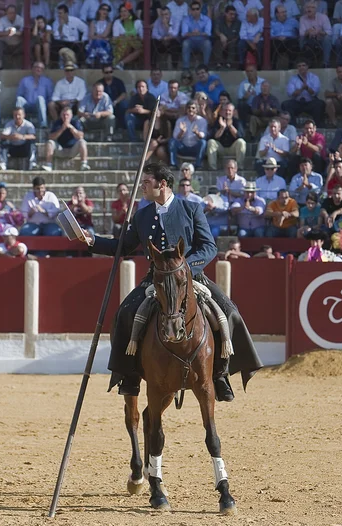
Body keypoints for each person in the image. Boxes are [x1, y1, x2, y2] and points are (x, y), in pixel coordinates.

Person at [75, 162, 262, 402]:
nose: (142, 186)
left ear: (161, 184)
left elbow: (209, 247)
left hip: (190, 277)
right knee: (123, 314)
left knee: (229, 312)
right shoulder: (142, 215)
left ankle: (220, 374)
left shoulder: (192, 209)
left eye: (146, 182)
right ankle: (129, 376)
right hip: (157, 280)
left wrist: (185, 269)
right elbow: (120, 246)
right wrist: (91, 240)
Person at [43, 106, 90, 172]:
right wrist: (62, 128)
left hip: (72, 150)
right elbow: (51, 137)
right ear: (61, 115)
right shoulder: (57, 123)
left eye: (67, 115)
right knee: (50, 142)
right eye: (64, 115)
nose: (65, 117)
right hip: (61, 149)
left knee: (82, 142)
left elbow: (80, 136)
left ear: (71, 115)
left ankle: (84, 164)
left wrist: (71, 128)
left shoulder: (75, 122)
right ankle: (48, 165)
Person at [281, 59, 325, 128]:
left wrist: (307, 88)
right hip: (297, 103)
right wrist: (301, 89)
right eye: (299, 66)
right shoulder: (293, 79)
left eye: (303, 65)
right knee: (286, 104)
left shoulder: (314, 78)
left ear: (307, 67)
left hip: (310, 102)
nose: (301, 67)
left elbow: (315, 92)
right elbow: (291, 93)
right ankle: (292, 127)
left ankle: (317, 126)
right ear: (297, 68)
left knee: (320, 104)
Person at [169, 100, 208, 170]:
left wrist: (196, 133)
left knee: (203, 142)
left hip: (195, 147)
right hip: (183, 147)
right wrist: (181, 132)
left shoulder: (202, 121)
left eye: (193, 108)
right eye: (189, 108)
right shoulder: (180, 120)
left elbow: (203, 136)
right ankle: (173, 164)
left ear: (197, 110)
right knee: (172, 141)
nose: (191, 109)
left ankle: (198, 165)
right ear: (186, 109)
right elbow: (175, 137)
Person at [207, 103, 246, 171]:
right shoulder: (217, 121)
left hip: (233, 148)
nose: (227, 112)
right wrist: (222, 128)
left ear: (233, 112)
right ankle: (212, 167)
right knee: (211, 142)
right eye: (225, 110)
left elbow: (239, 136)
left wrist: (230, 126)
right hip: (221, 148)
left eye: (229, 110)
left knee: (241, 142)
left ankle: (239, 166)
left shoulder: (237, 122)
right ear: (222, 112)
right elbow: (214, 137)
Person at [15, 62, 54, 129]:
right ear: (32, 69)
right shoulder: (25, 80)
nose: (39, 69)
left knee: (40, 98)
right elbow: (19, 94)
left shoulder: (47, 81)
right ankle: (18, 122)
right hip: (27, 105)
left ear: (43, 70)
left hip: (40, 106)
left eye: (41, 68)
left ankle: (43, 124)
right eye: (37, 67)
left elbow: (50, 97)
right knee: (19, 99)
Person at [0, 107, 37, 171]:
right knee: (3, 142)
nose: (17, 117)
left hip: (24, 148)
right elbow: (2, 135)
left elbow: (33, 136)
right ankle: (3, 163)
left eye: (19, 115)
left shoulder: (28, 125)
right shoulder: (9, 124)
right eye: (15, 115)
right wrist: (11, 137)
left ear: (23, 115)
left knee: (31, 142)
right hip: (13, 148)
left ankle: (32, 163)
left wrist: (22, 137)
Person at [51, 3, 88, 68]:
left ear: (66, 13)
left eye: (60, 13)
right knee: (56, 45)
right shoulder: (55, 23)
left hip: (75, 42)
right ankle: (58, 65)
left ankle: (80, 65)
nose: (59, 15)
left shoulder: (75, 20)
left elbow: (85, 28)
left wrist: (83, 40)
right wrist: (61, 26)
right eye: (58, 13)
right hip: (62, 43)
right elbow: (56, 37)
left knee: (81, 47)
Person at [299, 0, 332, 68]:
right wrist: (308, 31)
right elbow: (301, 33)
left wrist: (319, 32)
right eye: (307, 7)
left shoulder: (323, 17)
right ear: (305, 9)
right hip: (309, 39)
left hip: (320, 39)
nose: (309, 9)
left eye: (312, 7)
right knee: (301, 38)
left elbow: (329, 31)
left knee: (327, 38)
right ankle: (304, 63)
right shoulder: (302, 18)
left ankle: (326, 63)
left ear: (316, 9)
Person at [181, 1, 212, 70]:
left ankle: (205, 67)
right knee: (185, 43)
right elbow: (183, 34)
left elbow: (208, 33)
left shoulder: (206, 19)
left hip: (202, 41)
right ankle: (186, 68)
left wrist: (199, 33)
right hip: (190, 41)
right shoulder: (186, 19)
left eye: (197, 9)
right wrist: (193, 33)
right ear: (190, 10)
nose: (195, 11)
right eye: (193, 9)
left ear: (200, 9)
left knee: (208, 43)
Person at [112, 4, 143, 71]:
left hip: (135, 46)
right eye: (121, 11)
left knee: (139, 48)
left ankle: (121, 63)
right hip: (121, 46)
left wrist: (133, 38)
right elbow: (115, 38)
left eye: (125, 11)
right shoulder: (117, 22)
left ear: (130, 12)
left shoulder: (137, 22)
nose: (123, 13)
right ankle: (120, 64)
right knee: (125, 42)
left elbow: (142, 37)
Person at [97, 64, 128, 130]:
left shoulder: (118, 82)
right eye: (106, 72)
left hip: (116, 103)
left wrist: (116, 101)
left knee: (123, 104)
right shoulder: (99, 83)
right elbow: (95, 94)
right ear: (103, 73)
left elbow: (123, 94)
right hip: (104, 104)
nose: (109, 74)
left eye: (110, 72)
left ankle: (121, 127)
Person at [0, 4, 24, 69]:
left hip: (18, 44)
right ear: (6, 13)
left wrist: (14, 32)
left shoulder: (21, 20)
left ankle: (26, 66)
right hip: (6, 43)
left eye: (13, 13)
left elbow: (23, 32)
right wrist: (7, 33)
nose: (12, 15)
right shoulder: (2, 20)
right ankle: (0, 66)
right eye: (10, 13)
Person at [271, 3, 299, 68]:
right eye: (282, 12)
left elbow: (300, 32)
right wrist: (277, 37)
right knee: (272, 44)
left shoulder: (293, 21)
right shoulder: (272, 23)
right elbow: (270, 35)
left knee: (294, 43)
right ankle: (273, 66)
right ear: (277, 14)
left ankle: (291, 66)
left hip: (290, 40)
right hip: (277, 40)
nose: (285, 14)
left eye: (285, 12)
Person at [214, 4, 240, 69]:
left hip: (232, 40)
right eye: (231, 14)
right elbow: (216, 30)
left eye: (234, 14)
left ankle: (229, 63)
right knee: (218, 43)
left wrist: (229, 41)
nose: (233, 16)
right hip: (221, 39)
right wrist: (221, 35)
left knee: (233, 44)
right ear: (226, 13)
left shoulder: (238, 22)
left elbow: (238, 35)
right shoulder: (219, 20)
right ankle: (219, 63)